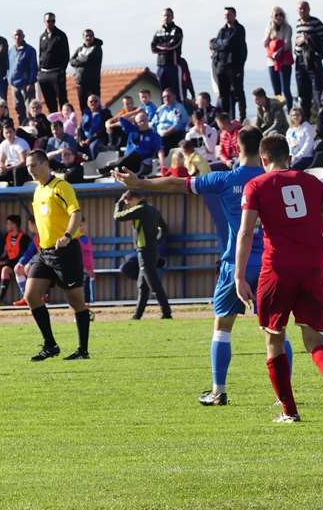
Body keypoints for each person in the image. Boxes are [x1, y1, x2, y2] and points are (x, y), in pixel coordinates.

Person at [115, 126, 290, 407]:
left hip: (235, 263)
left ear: (235, 149)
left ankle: (218, 391)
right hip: (271, 263)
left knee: (222, 326)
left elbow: (177, 184)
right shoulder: (276, 180)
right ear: (262, 150)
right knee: (275, 331)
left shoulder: (224, 179)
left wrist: (139, 183)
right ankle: (284, 396)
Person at [235, 134, 323, 423]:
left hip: (276, 270)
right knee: (314, 339)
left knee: (274, 340)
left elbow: (246, 232)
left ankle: (289, 412)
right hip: (312, 270)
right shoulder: (312, 182)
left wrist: (239, 275)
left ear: (264, 160)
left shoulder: (257, 185)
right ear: (289, 156)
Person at [23, 150, 91, 360]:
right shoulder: (37, 191)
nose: (30, 170)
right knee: (31, 296)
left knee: (76, 301)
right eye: (27, 166)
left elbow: (75, 213)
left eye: (33, 165)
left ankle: (82, 350)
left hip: (65, 251)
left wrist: (68, 236)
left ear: (45, 164)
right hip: (45, 253)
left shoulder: (61, 187)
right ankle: (50, 345)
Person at [113, 189, 172, 320]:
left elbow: (117, 216)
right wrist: (157, 242)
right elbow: (164, 229)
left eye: (128, 202)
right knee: (143, 285)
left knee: (153, 283)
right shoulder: (153, 209)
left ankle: (166, 312)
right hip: (152, 250)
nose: (128, 205)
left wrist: (120, 203)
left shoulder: (140, 209)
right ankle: (137, 315)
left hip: (144, 250)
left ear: (133, 199)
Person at [211, 7, 248, 121]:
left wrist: (219, 43)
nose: (227, 16)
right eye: (225, 14)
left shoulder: (239, 29)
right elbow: (213, 43)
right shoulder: (222, 30)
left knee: (238, 93)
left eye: (229, 14)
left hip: (234, 67)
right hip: (221, 66)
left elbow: (228, 44)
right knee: (224, 95)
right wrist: (220, 43)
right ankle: (226, 118)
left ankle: (242, 118)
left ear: (234, 15)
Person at [294, 1, 323, 121]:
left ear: (309, 9)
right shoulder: (298, 23)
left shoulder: (316, 23)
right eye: (299, 9)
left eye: (304, 8)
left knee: (318, 91)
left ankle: (322, 120)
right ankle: (305, 120)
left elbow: (322, 41)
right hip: (299, 59)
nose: (302, 11)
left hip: (313, 60)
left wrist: (307, 39)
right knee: (303, 93)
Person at [101, 109, 162, 176]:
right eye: (140, 121)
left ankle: (111, 169)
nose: (142, 123)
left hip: (141, 161)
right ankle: (112, 170)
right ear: (136, 123)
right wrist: (135, 112)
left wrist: (162, 166)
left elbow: (160, 150)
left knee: (135, 153)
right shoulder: (133, 129)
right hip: (127, 159)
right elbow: (121, 118)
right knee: (125, 160)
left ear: (148, 120)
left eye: (144, 120)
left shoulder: (154, 135)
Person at [0, 215, 30, 306]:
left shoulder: (24, 238)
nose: (6, 226)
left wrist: (4, 262)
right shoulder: (6, 236)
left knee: (5, 270)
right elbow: (5, 252)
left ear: (14, 225)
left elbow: (22, 256)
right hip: (8, 262)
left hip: (18, 263)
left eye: (8, 224)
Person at [37, 13, 70, 114]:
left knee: (62, 99)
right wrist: (40, 72)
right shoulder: (42, 36)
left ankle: (65, 123)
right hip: (44, 74)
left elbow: (66, 55)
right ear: (44, 22)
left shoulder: (61, 35)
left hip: (56, 72)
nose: (51, 23)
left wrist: (61, 70)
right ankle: (54, 123)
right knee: (49, 101)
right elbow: (41, 54)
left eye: (53, 21)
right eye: (48, 21)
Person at [264, 7, 294, 110]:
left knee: (285, 89)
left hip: (284, 61)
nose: (279, 17)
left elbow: (286, 43)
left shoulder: (287, 28)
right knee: (276, 91)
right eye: (276, 15)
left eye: (281, 14)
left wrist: (278, 51)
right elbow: (265, 43)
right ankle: (279, 114)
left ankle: (290, 112)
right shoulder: (269, 28)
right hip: (272, 62)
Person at [150, 8, 184, 99]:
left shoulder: (177, 30)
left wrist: (160, 46)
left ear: (172, 17)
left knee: (175, 92)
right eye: (165, 15)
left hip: (173, 65)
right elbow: (153, 47)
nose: (166, 17)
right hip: (161, 66)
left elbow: (172, 46)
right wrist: (164, 47)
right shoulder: (158, 31)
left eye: (168, 15)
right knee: (163, 93)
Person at [7, 29, 38, 123]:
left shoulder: (30, 50)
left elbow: (33, 67)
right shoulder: (11, 50)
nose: (17, 37)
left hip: (26, 85)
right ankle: (22, 126)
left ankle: (31, 127)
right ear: (13, 37)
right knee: (18, 108)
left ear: (23, 36)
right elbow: (8, 65)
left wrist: (31, 82)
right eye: (15, 35)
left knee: (30, 109)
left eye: (19, 35)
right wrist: (9, 78)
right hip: (14, 85)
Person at [69, 29, 103, 112]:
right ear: (83, 37)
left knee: (95, 105)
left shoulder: (97, 49)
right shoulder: (80, 49)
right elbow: (71, 61)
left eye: (91, 36)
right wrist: (81, 60)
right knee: (83, 106)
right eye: (86, 36)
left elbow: (88, 60)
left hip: (92, 82)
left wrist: (79, 59)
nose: (88, 38)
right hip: (80, 82)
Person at [152, 88, 189, 159]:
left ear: (174, 96)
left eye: (168, 96)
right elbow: (153, 123)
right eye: (164, 97)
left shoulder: (178, 108)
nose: (166, 98)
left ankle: (161, 164)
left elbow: (178, 125)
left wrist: (165, 133)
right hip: (159, 135)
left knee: (161, 143)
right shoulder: (160, 109)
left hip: (173, 135)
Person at [11, 216, 38, 306]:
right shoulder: (36, 238)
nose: (28, 227)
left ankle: (39, 296)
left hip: (50, 262)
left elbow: (44, 252)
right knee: (18, 268)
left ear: (34, 225)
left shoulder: (46, 234)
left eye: (29, 225)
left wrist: (30, 262)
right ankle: (26, 297)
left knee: (28, 268)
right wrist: (21, 262)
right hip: (39, 262)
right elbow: (29, 252)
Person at [79, 94, 111, 159]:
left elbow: (102, 129)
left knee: (93, 146)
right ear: (88, 103)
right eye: (91, 101)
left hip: (99, 138)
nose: (93, 103)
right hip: (86, 139)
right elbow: (80, 129)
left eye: (95, 101)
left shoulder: (104, 113)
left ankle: (95, 165)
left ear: (99, 102)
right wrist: (80, 140)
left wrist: (90, 139)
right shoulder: (85, 114)